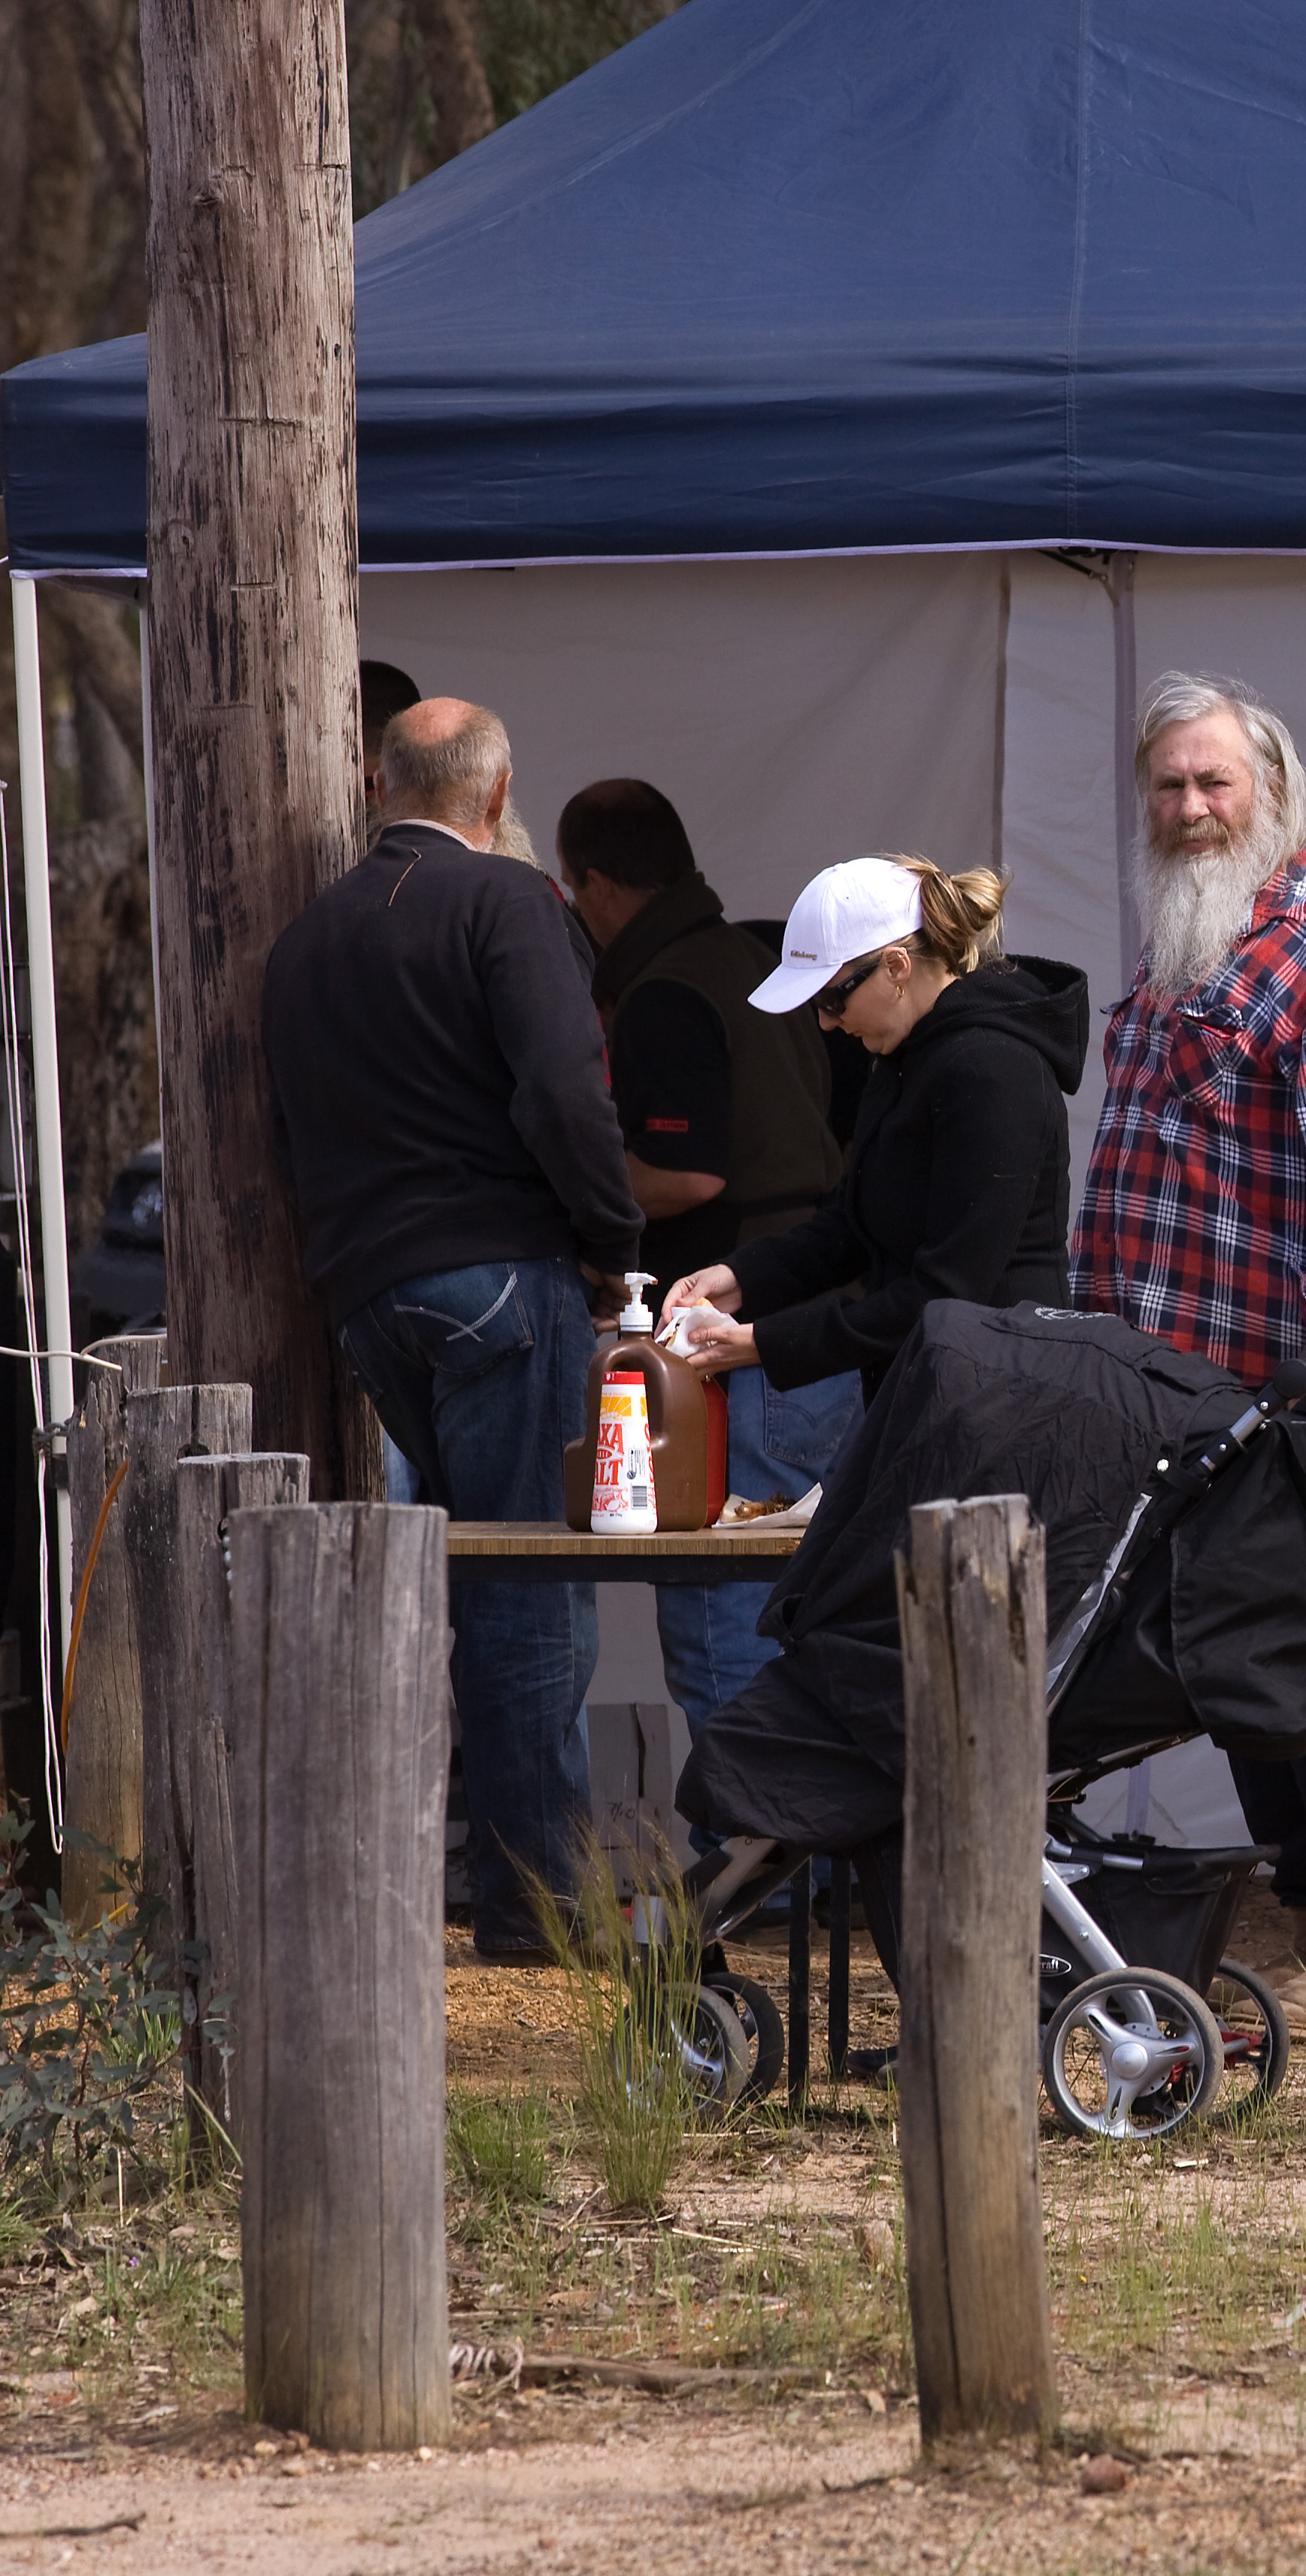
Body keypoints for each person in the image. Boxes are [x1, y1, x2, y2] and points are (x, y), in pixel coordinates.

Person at [1068, 674, 1306, 2048]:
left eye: (1214, 781)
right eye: (1168, 784)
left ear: (1272, 793)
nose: (1189, 807)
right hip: (1198, 1407)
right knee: (1249, 1674)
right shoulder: (1189, 946)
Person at [260, 697, 641, 1960]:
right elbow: (566, 1090)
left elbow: (284, 1126)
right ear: (499, 792)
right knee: (526, 1590)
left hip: (368, 1293)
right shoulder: (510, 901)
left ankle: (406, 1884)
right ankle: (539, 1910)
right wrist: (613, 1242)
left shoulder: (305, 935)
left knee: (437, 1586)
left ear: (379, 785)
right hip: (497, 1276)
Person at [555, 780, 856, 1733]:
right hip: (806, 1326)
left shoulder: (667, 989)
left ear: (596, 884)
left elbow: (689, 1175)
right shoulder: (749, 957)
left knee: (724, 1606)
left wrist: (573, 1187)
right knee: (806, 1603)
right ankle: (790, 1822)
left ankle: (742, 1826)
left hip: (740, 1346)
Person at [662, 853, 1083, 1400]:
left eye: (832, 997)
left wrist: (766, 1342)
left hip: (1001, 1395)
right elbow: (859, 1223)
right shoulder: (903, 1054)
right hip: (932, 1386)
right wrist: (743, 1277)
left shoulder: (994, 1069)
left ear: (897, 967)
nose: (825, 1021)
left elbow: (948, 1293)